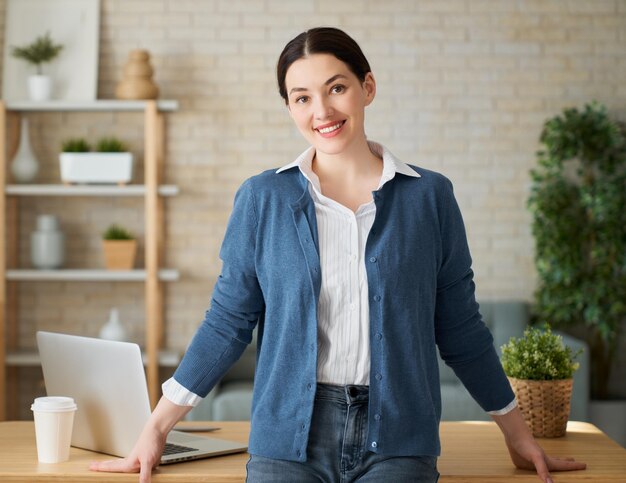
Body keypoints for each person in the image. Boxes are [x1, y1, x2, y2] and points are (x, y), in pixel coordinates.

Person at [90, 27, 586, 483]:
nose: (321, 111)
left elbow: (459, 327)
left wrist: (518, 435)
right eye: (301, 97)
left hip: (398, 435)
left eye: (336, 88)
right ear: (289, 108)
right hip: (287, 437)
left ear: (367, 87)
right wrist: (157, 427)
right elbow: (228, 321)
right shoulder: (262, 199)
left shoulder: (430, 198)